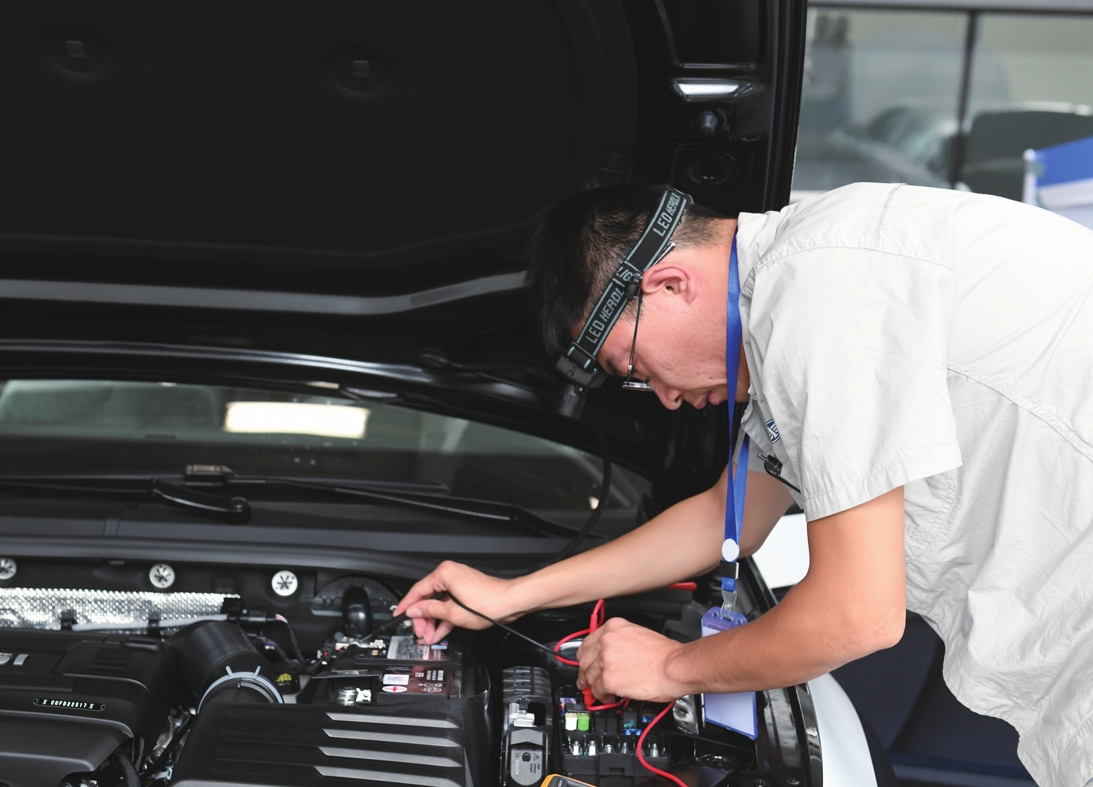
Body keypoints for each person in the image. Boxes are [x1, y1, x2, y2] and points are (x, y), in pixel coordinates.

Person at [397, 182, 1093, 787]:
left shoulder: (818, 295)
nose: (661, 398)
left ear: (667, 284)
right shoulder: (804, 286)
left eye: (635, 368)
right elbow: (721, 517)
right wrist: (512, 596)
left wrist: (671, 667)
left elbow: (857, 614)